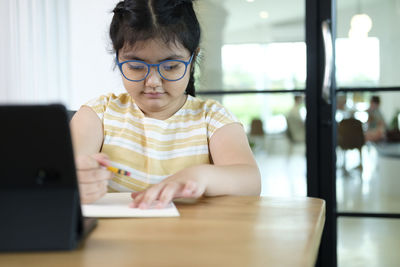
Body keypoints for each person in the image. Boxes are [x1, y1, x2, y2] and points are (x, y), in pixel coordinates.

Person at [70, 0, 261, 209]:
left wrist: (199, 176)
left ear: (193, 59)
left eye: (170, 66)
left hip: (191, 237)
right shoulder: (97, 114)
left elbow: (250, 181)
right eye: (136, 66)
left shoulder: (212, 118)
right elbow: (65, 176)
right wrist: (77, 181)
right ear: (118, 60)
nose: (153, 82)